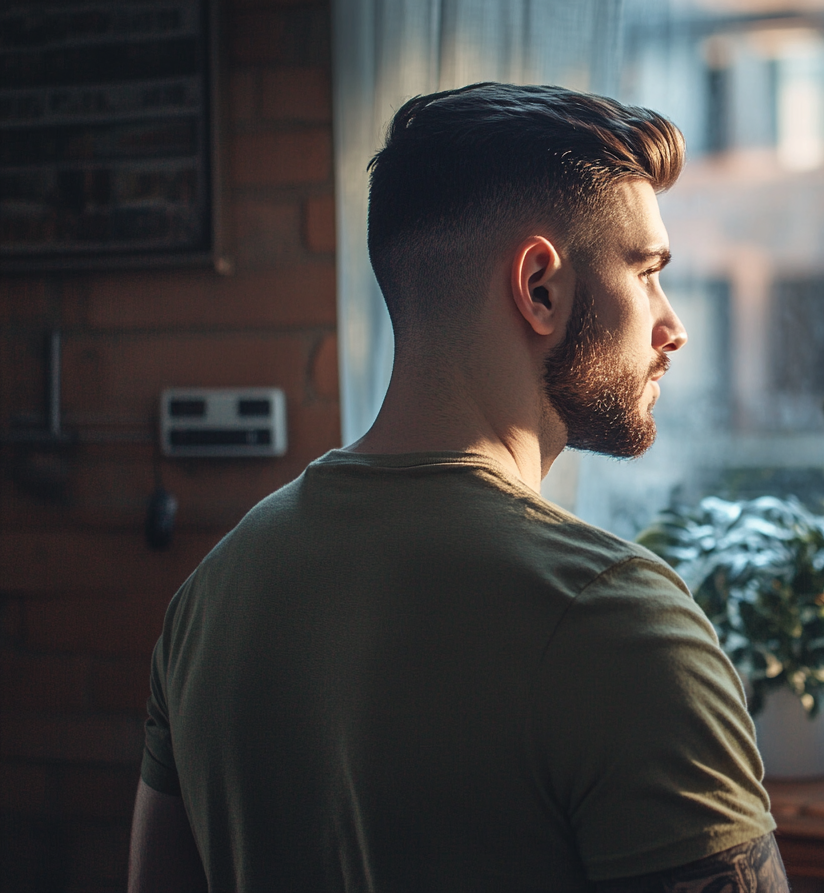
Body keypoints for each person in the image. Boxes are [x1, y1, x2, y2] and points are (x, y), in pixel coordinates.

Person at [128, 83, 789, 892]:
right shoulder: (618, 620)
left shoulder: (213, 592)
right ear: (539, 286)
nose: (671, 325)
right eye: (647, 271)